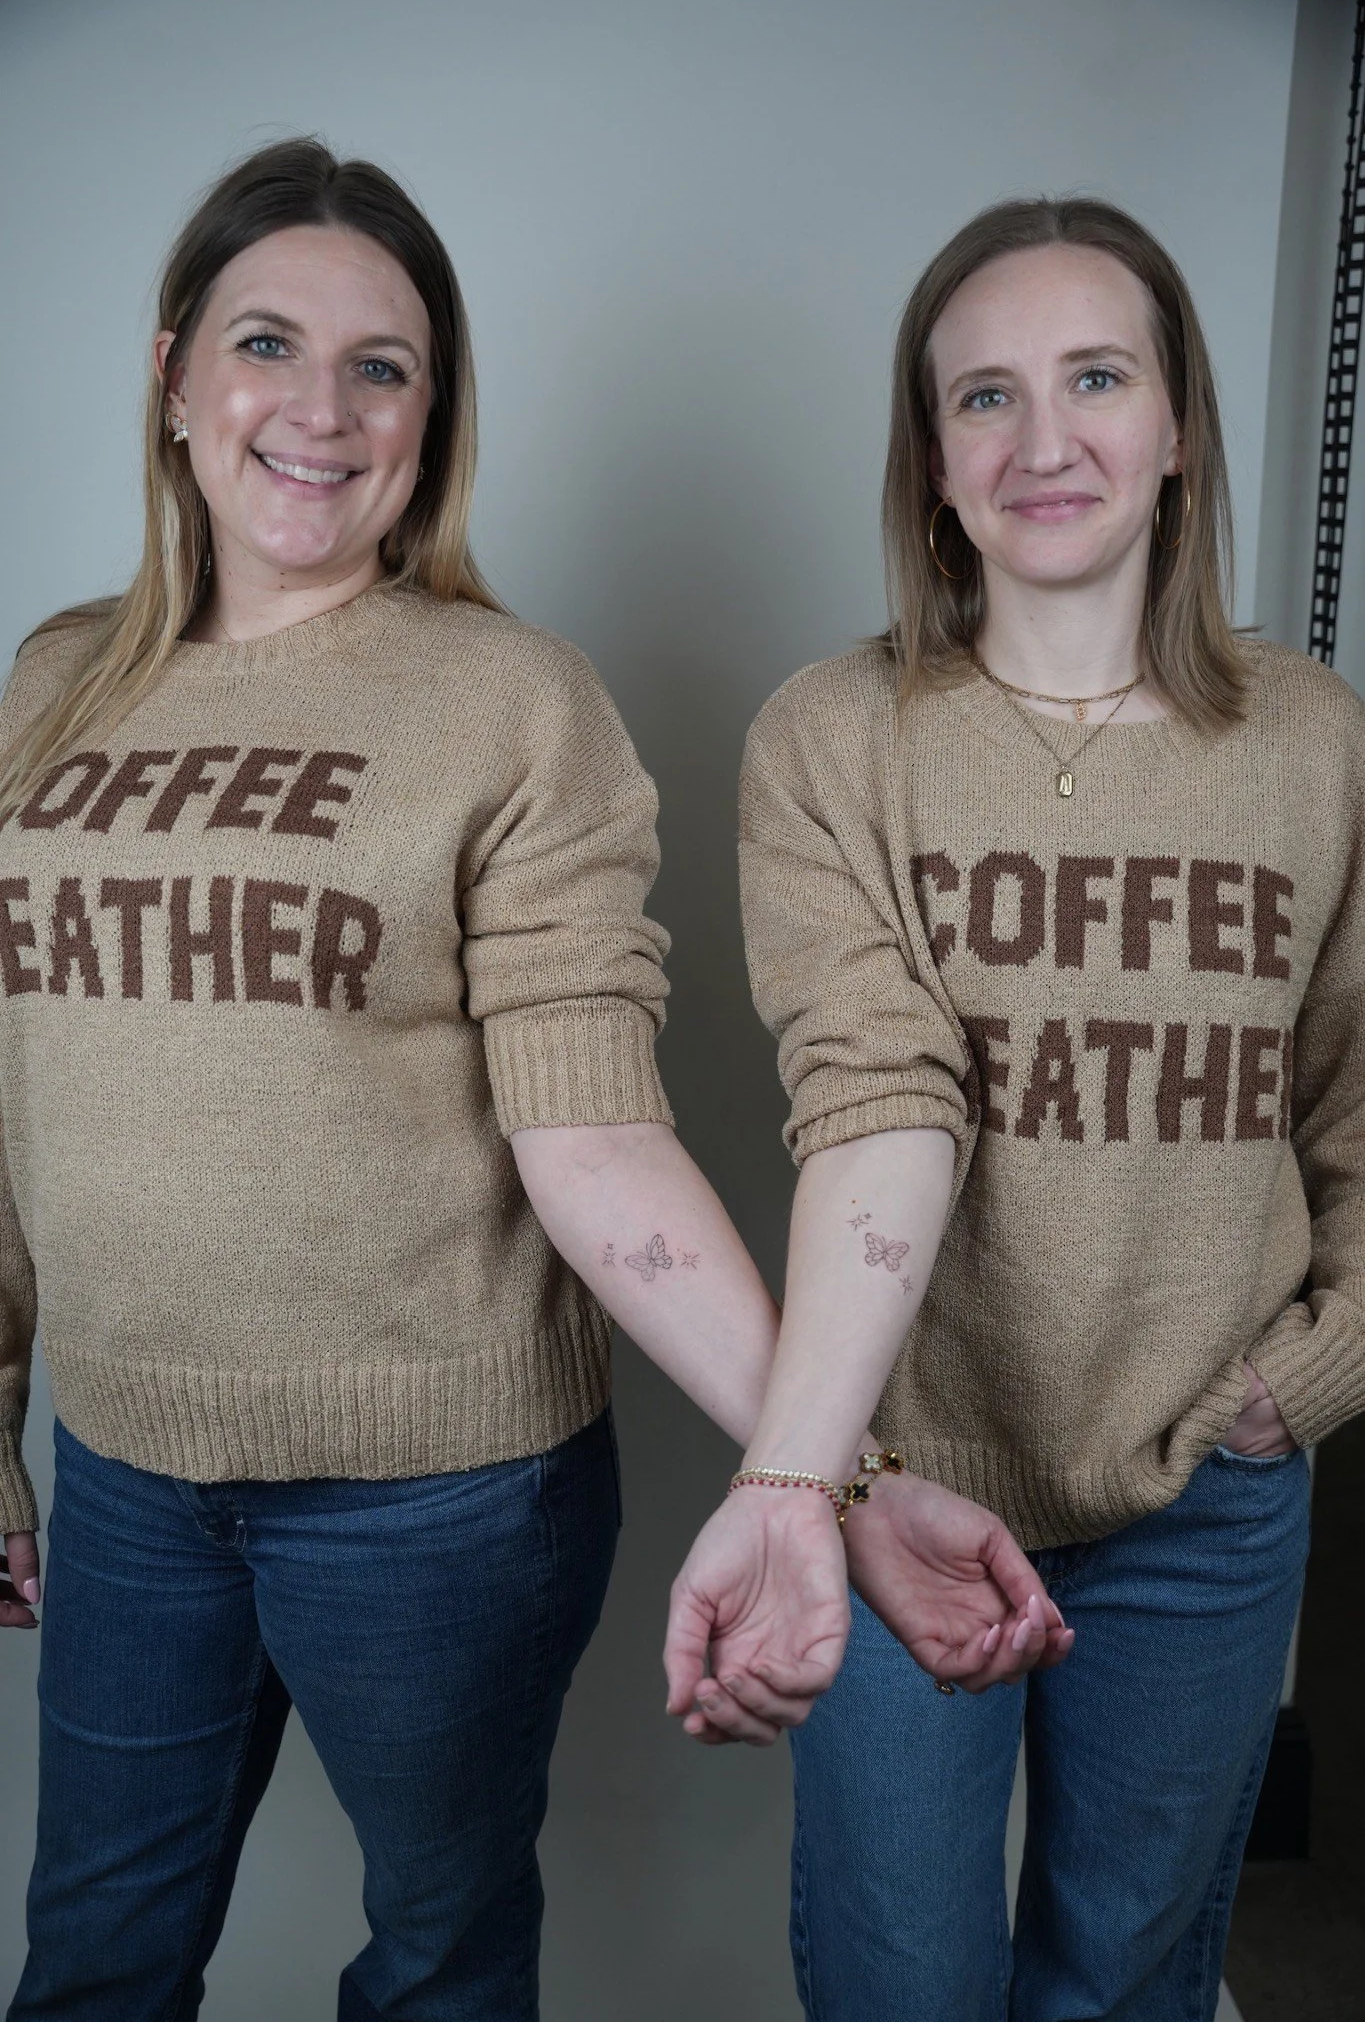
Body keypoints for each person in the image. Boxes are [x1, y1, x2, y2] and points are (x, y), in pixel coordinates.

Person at [0, 140, 1059, 2021]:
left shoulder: (511, 700)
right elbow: (14, 1086)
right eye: (266, 344)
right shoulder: (53, 684)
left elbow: (593, 1142)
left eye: (384, 367)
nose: (320, 411)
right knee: (91, 1959)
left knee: (440, 1956)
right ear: (174, 378)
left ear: (435, 415)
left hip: (435, 1504)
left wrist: (829, 1475)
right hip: (129, 1472)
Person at [666, 195, 1364, 2018]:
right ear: (931, 459)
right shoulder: (835, 738)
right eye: (984, 397)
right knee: (904, 1979)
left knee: (1132, 1976)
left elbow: (1361, 1104)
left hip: (1207, 1485)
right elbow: (875, 1094)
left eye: (1096, 378)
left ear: (1180, 424)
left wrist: (1316, 1371)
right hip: (905, 1467)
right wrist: (817, 1478)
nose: (1044, 441)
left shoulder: (1315, 744)